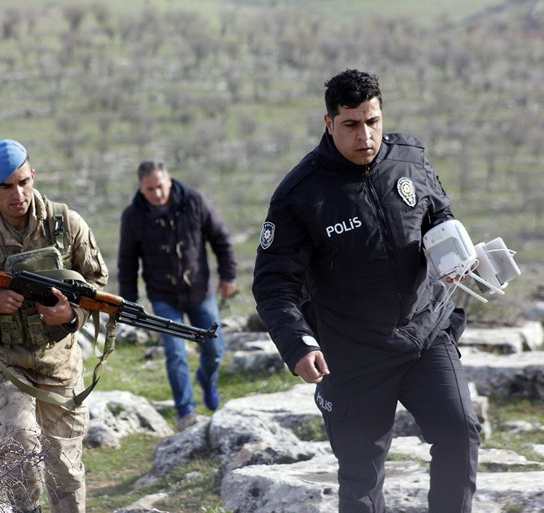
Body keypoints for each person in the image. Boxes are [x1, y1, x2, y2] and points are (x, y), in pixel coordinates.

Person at [251, 70, 481, 512]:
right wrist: (297, 344)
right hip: (352, 355)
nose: (366, 135)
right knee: (361, 477)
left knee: (459, 431)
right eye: (352, 125)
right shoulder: (301, 194)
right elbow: (273, 282)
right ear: (329, 123)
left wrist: (456, 253)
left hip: (424, 334)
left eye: (372, 121)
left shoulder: (410, 159)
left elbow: (439, 215)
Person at [0, 139, 108, 513]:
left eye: (24, 182)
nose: (18, 194)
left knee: (65, 468)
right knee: (22, 446)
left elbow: (97, 289)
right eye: (6, 187)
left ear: (34, 176)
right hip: (4, 361)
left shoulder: (66, 224)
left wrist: (71, 314)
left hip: (59, 362)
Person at [117, 161, 237, 430]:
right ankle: (186, 412)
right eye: (150, 189)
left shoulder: (194, 201)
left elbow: (220, 238)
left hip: (199, 290)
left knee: (214, 349)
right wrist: (129, 303)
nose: (157, 194)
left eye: (160, 187)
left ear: (168, 180)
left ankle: (207, 378)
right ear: (141, 188)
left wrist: (228, 275)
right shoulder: (133, 216)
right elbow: (127, 263)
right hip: (163, 295)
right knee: (175, 352)